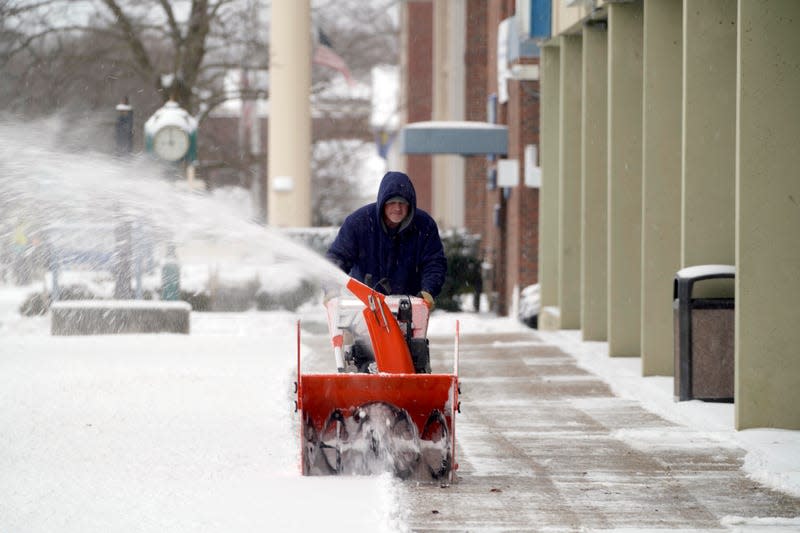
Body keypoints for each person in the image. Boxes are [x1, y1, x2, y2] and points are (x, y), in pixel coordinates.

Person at [326, 171, 447, 309]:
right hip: (363, 305)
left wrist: (428, 291)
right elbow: (338, 257)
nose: (397, 208)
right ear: (382, 202)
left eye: (403, 203)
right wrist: (331, 289)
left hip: (407, 306)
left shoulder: (424, 225)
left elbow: (434, 262)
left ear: (410, 204)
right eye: (391, 202)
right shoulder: (359, 223)